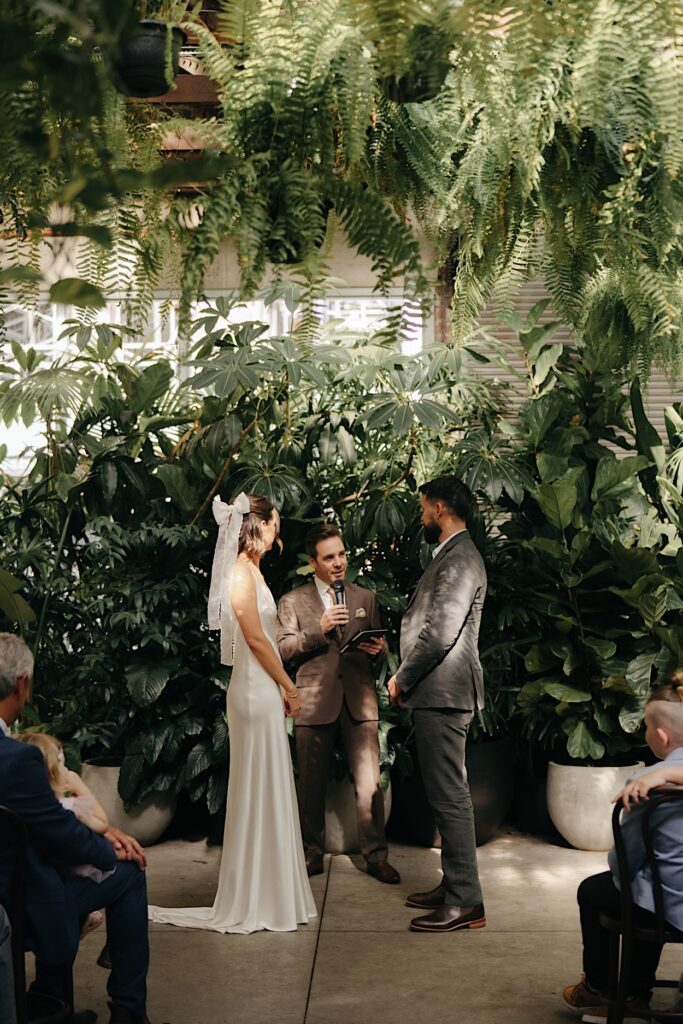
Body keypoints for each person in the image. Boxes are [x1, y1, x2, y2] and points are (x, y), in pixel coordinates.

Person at [149, 493, 316, 933]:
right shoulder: (239, 574)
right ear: (255, 526)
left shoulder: (253, 571)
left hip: (261, 686)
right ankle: (255, 895)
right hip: (252, 687)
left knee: (268, 783)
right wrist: (288, 683)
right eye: (274, 524)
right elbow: (257, 641)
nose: (277, 532)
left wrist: (278, 683)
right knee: (257, 785)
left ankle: (272, 892)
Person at [0, 632, 150, 1024]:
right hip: (14, 900)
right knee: (129, 872)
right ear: (21, 684)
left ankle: (49, 1000)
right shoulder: (15, 759)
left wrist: (102, 832)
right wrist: (107, 850)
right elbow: (61, 835)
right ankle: (129, 1013)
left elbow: (42, 816)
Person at [388, 475, 487, 933]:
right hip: (440, 693)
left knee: (450, 796)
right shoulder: (453, 556)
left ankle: (466, 900)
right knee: (445, 794)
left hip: (443, 693)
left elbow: (442, 631)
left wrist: (403, 676)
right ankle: (454, 884)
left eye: (425, 507)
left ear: (442, 508)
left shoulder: (461, 558)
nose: (422, 515)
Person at [277, 524, 400, 884]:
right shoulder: (293, 601)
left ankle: (376, 856)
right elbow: (283, 650)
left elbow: (378, 645)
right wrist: (320, 626)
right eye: (329, 557)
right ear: (312, 561)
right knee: (310, 786)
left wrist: (380, 651)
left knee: (369, 785)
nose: (338, 563)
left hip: (359, 701)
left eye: (341, 554)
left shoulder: (366, 597)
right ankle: (311, 855)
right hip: (314, 701)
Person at [563, 680, 683, 1021]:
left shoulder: (649, 783)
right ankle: (634, 990)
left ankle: (602, 988)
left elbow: (625, 861)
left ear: (661, 737)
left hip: (672, 902)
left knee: (605, 890)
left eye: (645, 726)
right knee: (648, 887)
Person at [16, 732, 111, 934]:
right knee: (127, 871)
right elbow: (102, 825)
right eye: (63, 766)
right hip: (59, 885)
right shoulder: (66, 810)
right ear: (53, 775)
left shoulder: (21, 806)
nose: (67, 771)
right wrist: (79, 787)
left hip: (24, 888)